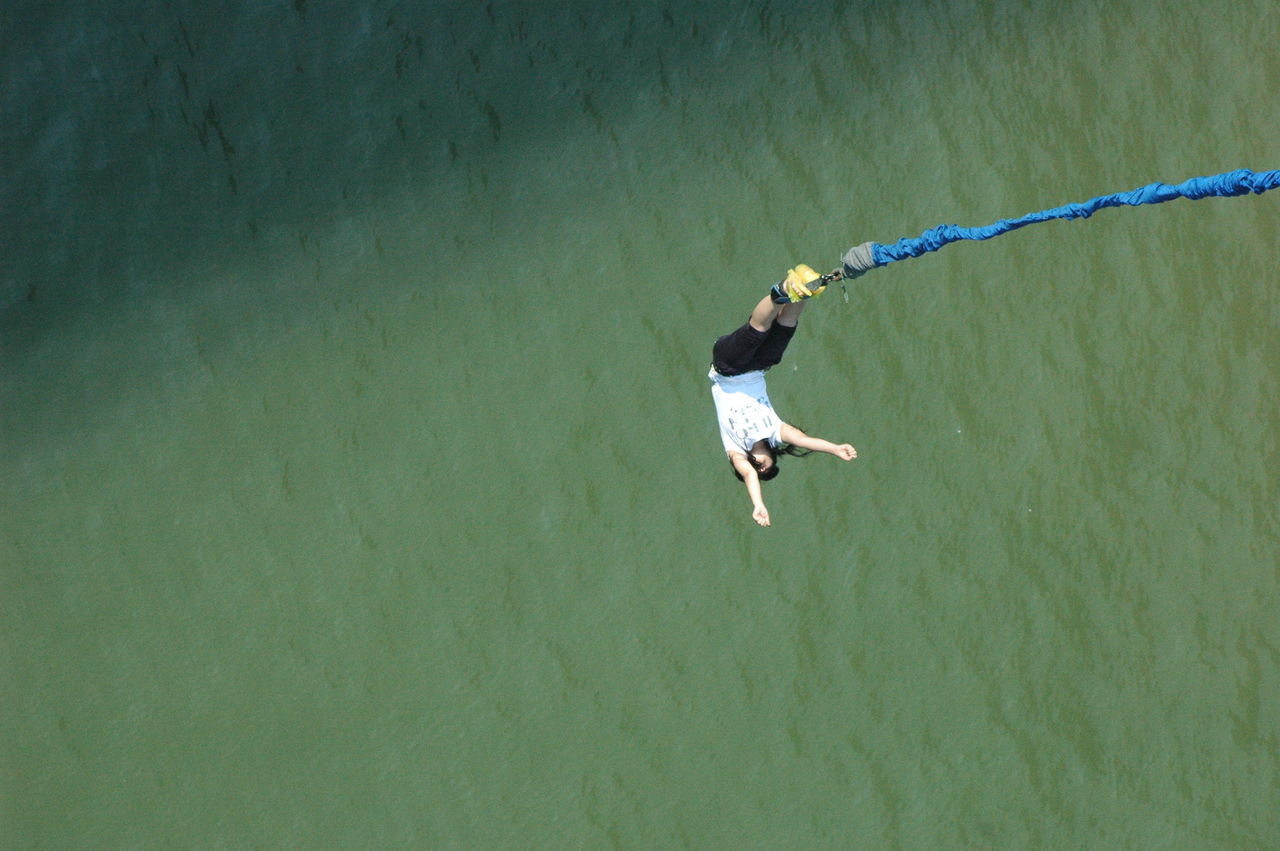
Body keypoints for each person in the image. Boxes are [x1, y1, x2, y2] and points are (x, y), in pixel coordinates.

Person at [709, 265, 858, 527]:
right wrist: (834, 448)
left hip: (728, 368)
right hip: (759, 369)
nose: (761, 468)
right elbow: (804, 440)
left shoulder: (735, 449)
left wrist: (758, 504)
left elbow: (748, 475)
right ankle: (804, 289)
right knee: (784, 327)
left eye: (759, 470)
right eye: (767, 468)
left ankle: (781, 290)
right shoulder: (774, 432)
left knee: (757, 331)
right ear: (774, 456)